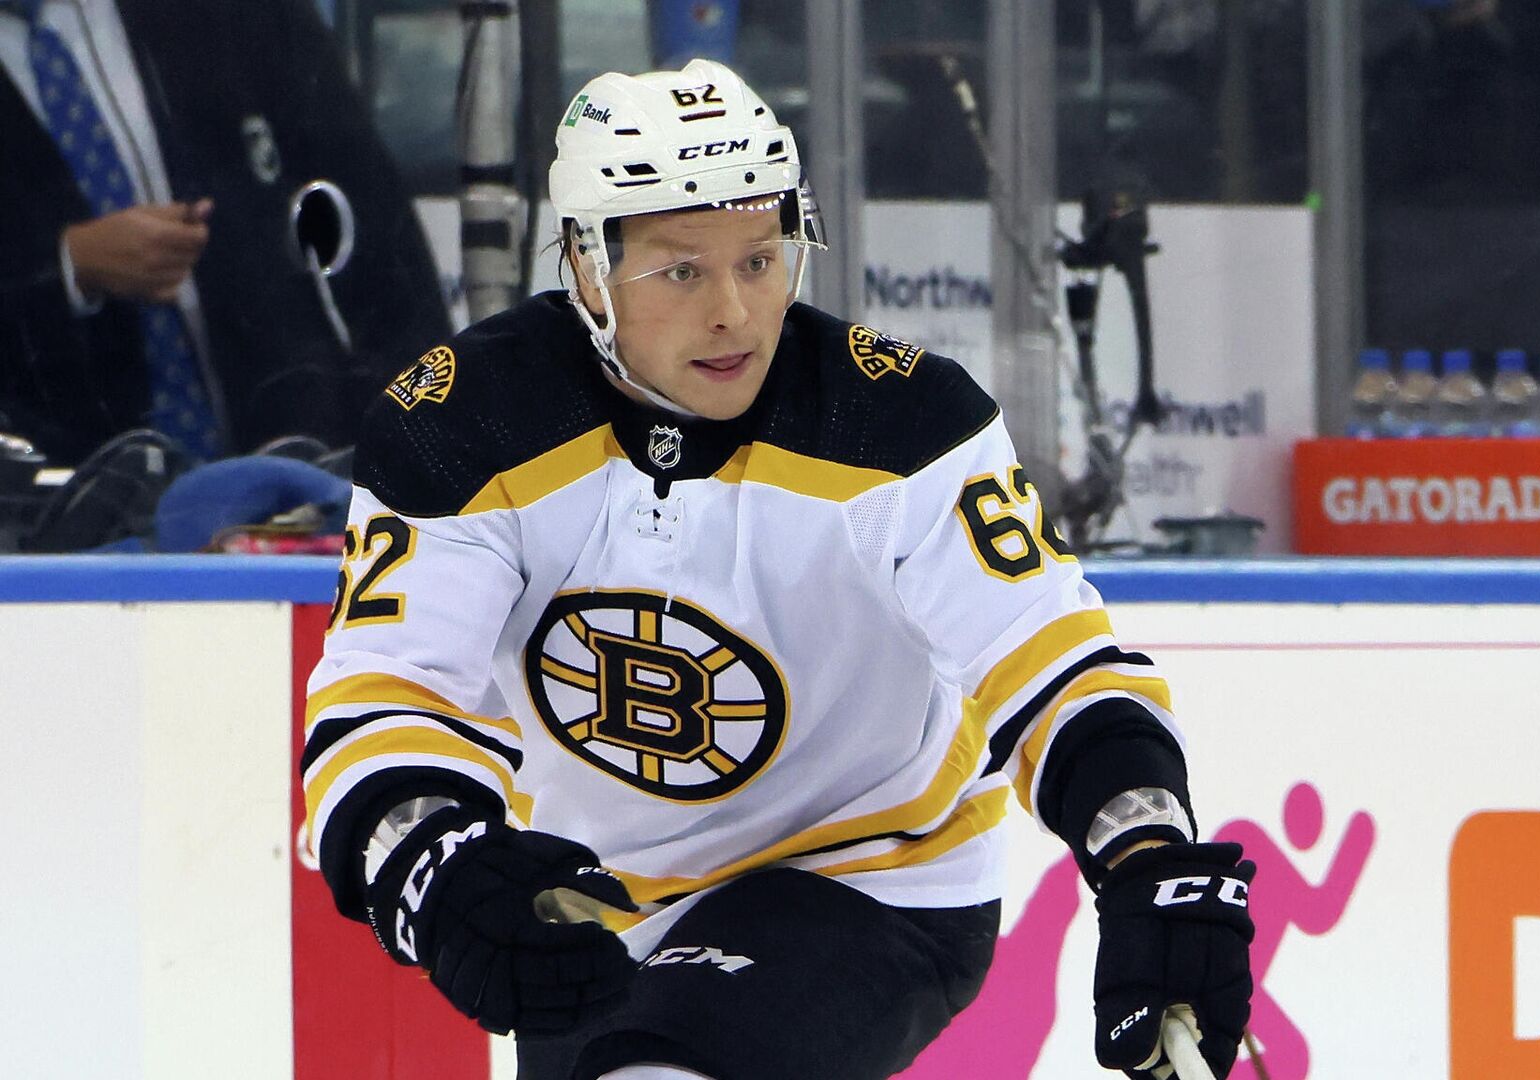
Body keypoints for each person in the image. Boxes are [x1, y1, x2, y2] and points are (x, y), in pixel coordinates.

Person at [302, 59, 1256, 1080]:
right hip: (599, 901)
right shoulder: (463, 427)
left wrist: (1147, 855)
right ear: (584, 266)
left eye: (762, 260)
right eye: (682, 270)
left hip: (872, 875)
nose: (737, 315)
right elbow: (385, 698)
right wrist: (438, 877)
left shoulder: (901, 423)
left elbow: (1051, 661)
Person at [0, 0, 450, 467]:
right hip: (62, 494)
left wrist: (431, 437)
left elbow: (376, 228)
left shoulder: (228, 15)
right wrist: (68, 266)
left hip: (298, 465)